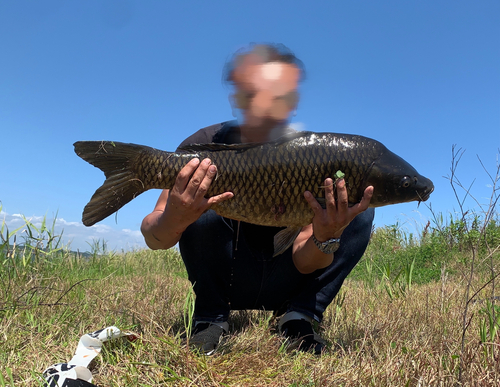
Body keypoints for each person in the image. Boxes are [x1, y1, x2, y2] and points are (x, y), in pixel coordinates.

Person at [141, 43, 374, 355]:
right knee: (204, 200)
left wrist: (327, 234)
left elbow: (306, 263)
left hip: (288, 278)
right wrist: (176, 217)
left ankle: (298, 315)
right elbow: (154, 237)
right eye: (254, 93)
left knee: (357, 209)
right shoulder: (205, 145)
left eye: (278, 96)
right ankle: (210, 318)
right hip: (228, 278)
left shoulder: (317, 156)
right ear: (238, 97)